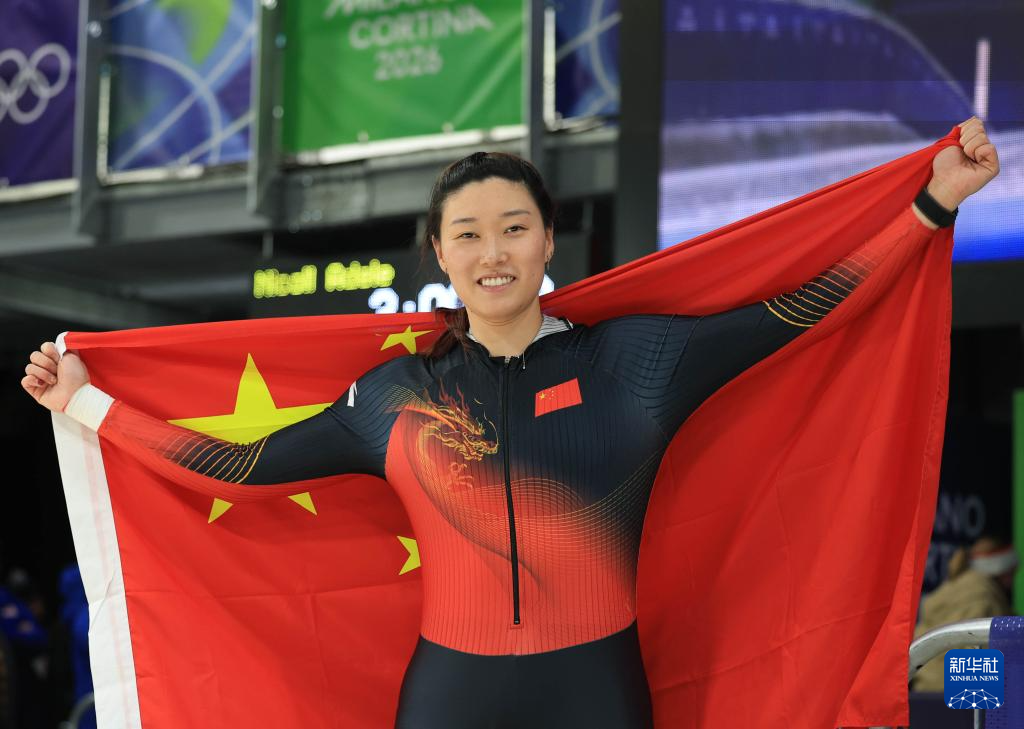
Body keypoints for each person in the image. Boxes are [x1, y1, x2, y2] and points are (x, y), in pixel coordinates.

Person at [23, 117, 999, 728]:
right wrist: (86, 404)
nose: (493, 253)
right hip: (452, 696)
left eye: (514, 228)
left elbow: (801, 310)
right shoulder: (394, 398)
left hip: (597, 692)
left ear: (546, 240)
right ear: (439, 252)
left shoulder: (636, 362)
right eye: (468, 234)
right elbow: (239, 465)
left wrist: (929, 204)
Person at [912, 535, 1017, 692]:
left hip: (922, 689)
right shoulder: (983, 598)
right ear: (1001, 570)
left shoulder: (954, 586)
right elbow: (975, 658)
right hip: (952, 695)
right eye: (1012, 572)